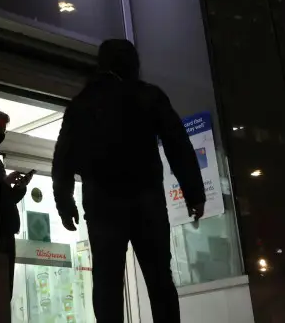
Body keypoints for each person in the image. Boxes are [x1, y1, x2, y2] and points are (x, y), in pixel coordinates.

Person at [52, 39, 204, 323]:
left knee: (107, 283)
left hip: (101, 203)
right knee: (159, 280)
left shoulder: (82, 104)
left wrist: (64, 201)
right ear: (133, 64)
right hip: (146, 200)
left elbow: (63, 157)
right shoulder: (149, 96)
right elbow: (177, 144)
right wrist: (194, 193)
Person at [0, 110, 33, 296]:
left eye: (4, 129)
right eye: (0, 127)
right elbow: (0, 199)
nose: (2, 134)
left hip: (5, 229)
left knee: (4, 286)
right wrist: (6, 184)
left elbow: (5, 199)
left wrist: (17, 187)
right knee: (0, 287)